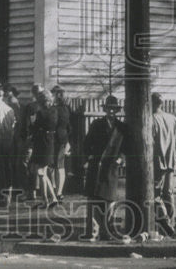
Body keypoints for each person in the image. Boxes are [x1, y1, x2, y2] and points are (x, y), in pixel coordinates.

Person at [82, 95, 127, 240]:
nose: (111, 112)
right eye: (109, 109)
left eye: (114, 109)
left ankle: (107, 231)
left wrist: (121, 159)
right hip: (97, 166)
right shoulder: (96, 124)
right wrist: (89, 157)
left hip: (112, 167)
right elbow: (87, 143)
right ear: (105, 109)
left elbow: (127, 148)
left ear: (117, 110)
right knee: (94, 199)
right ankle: (92, 232)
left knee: (110, 200)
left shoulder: (121, 127)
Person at [151, 92, 176, 236]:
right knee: (169, 194)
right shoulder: (172, 118)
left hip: (157, 161)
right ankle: (171, 224)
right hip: (171, 161)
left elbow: (149, 142)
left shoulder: (150, 119)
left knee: (155, 194)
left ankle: (166, 225)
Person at [29, 89, 59, 208]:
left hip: (41, 143)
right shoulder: (54, 111)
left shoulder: (41, 113)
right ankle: (53, 198)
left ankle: (46, 200)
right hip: (50, 141)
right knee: (43, 172)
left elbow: (35, 128)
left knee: (41, 172)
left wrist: (33, 122)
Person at [14, 86, 38, 202]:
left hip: (30, 141)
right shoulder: (51, 108)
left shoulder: (31, 107)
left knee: (22, 164)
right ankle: (33, 191)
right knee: (33, 166)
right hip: (43, 141)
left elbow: (26, 125)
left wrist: (23, 138)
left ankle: (27, 191)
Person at [51, 85, 72, 201]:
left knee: (57, 166)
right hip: (63, 139)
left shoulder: (56, 109)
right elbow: (70, 127)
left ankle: (57, 192)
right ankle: (58, 191)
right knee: (59, 166)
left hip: (56, 139)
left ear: (57, 96)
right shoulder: (66, 109)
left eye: (53, 94)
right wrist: (68, 141)